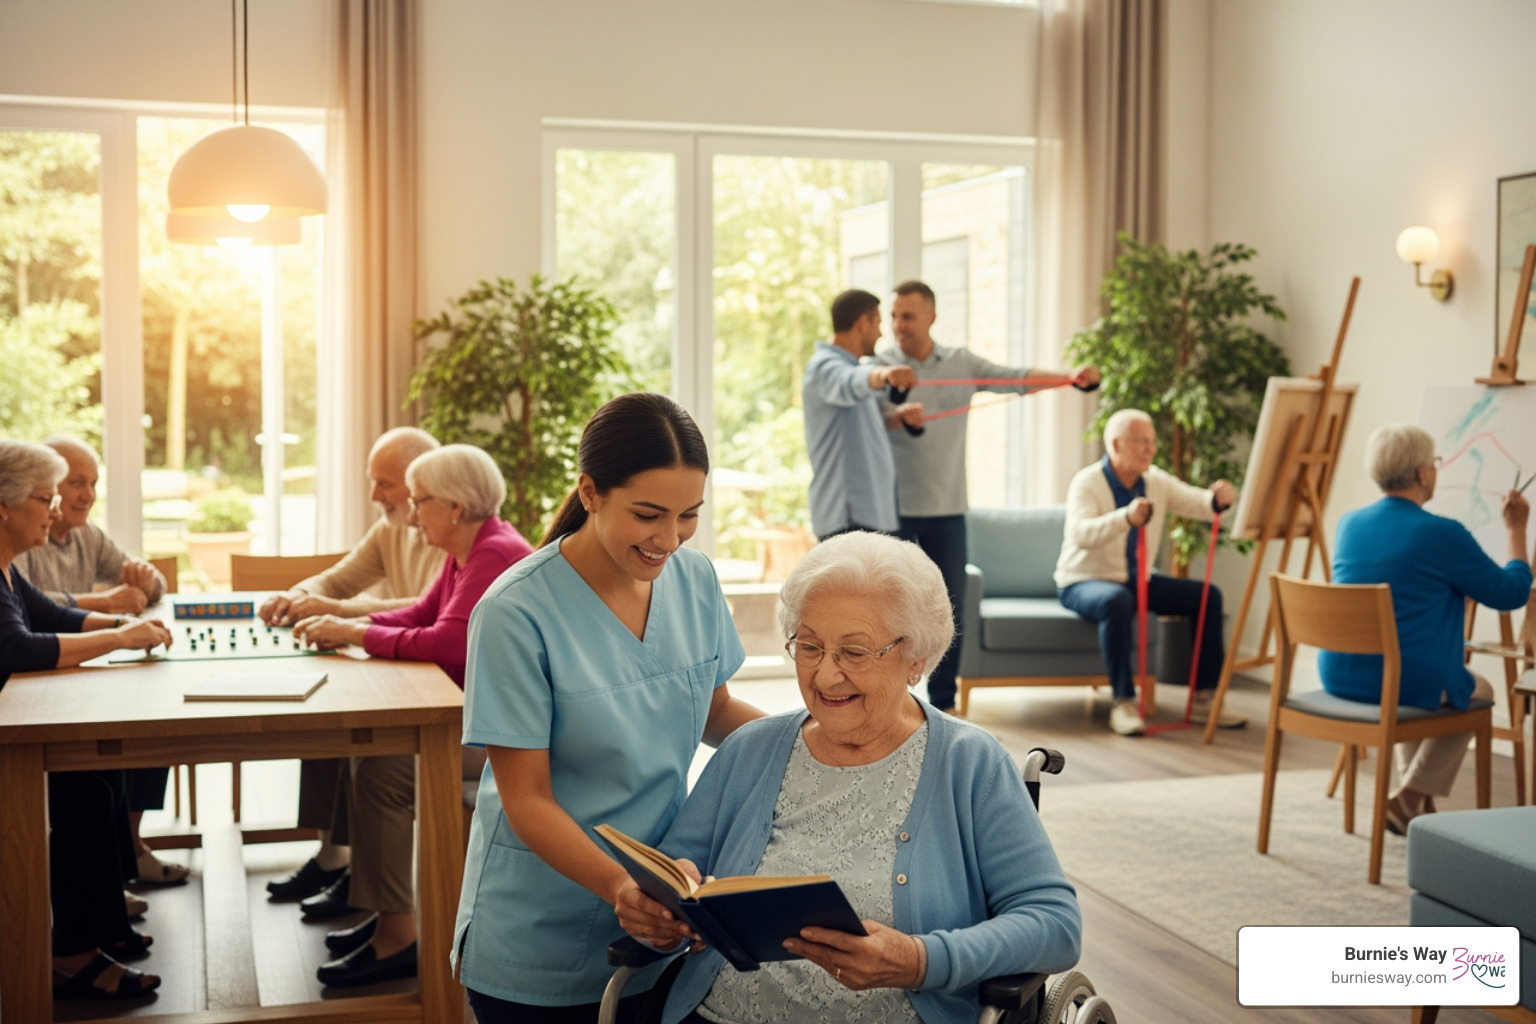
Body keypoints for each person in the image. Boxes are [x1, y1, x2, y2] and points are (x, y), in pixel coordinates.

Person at [616, 531, 1082, 1024]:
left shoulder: (970, 764)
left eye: (854, 653)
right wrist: (651, 914)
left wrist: (920, 961)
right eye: (810, 647)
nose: (824, 675)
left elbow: (1054, 924)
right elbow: (668, 880)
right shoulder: (749, 749)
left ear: (916, 658)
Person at [453, 393, 765, 1023]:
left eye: (687, 516)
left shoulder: (695, 579)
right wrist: (621, 887)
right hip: (538, 931)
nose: (669, 539)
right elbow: (527, 800)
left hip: (664, 913)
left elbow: (714, 711)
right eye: (648, 514)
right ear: (590, 492)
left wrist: (820, 741)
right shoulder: (515, 613)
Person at [285, 444, 533, 986]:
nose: (413, 514)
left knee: (385, 768)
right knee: (371, 755)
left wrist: (354, 631)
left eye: (421, 501)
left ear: (456, 507)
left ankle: (400, 935)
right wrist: (347, 623)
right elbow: (421, 614)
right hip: (487, 721)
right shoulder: (469, 549)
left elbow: (450, 642)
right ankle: (388, 919)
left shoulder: (494, 553)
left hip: (518, 738)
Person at [874, 280, 1100, 712]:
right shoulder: (881, 366)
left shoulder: (959, 362)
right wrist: (897, 416)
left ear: (931, 316)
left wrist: (1070, 379)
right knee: (891, 610)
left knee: (947, 608)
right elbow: (866, 421)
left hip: (949, 510)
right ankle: (890, 701)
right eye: (894, 317)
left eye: (907, 316)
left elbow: (1013, 378)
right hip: (893, 512)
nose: (898, 326)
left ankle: (943, 705)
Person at [0, 439, 173, 999]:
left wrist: (119, 629)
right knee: (86, 791)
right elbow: (20, 649)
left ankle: (101, 933)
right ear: (4, 506)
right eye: (44, 498)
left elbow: (54, 615)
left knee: (101, 775)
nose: (54, 510)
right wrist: (119, 636)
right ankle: (72, 951)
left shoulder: (6, 571)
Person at [259, 426, 443, 907]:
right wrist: (297, 596)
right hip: (404, 669)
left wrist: (339, 614)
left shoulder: (447, 528)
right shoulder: (390, 528)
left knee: (358, 738)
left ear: (417, 481)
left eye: (384, 483)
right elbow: (339, 579)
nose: (373, 495)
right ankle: (333, 857)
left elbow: (425, 608)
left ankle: (359, 874)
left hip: (436, 685)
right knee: (328, 718)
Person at [1319, 424, 1532, 833]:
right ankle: (1411, 797)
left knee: (1427, 676)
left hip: (1341, 674)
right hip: (1399, 682)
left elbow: (1404, 593)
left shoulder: (1350, 524)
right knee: (1478, 690)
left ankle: (1413, 803)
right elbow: (1511, 593)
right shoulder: (1442, 533)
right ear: (1423, 473)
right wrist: (1516, 530)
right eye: (1433, 463)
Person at [1054, 409, 1246, 736]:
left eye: (1153, 442)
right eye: (1141, 441)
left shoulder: (1155, 480)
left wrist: (1217, 500)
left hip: (1136, 581)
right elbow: (1080, 535)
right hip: (1083, 581)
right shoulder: (1087, 482)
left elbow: (1196, 501)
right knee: (1116, 600)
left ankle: (1203, 698)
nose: (1150, 449)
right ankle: (1124, 701)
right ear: (1116, 444)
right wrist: (1125, 518)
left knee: (1207, 596)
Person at [803, 289, 918, 540]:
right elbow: (849, 382)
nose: (879, 333)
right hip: (847, 518)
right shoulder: (825, 367)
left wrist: (896, 417)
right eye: (878, 323)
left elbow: (857, 424)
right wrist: (883, 374)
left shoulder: (855, 367)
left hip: (869, 517)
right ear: (862, 323)